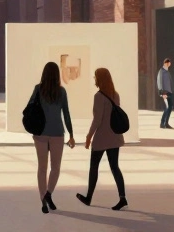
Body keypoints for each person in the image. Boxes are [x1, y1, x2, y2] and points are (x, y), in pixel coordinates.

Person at [77, 67, 127, 211]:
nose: (94, 79)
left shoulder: (99, 96)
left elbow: (97, 120)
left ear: (99, 79)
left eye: (95, 77)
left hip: (102, 138)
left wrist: (88, 136)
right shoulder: (115, 94)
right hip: (115, 136)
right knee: (115, 167)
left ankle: (88, 197)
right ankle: (122, 197)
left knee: (94, 167)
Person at [29, 62, 75, 214]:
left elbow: (30, 107)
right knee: (56, 168)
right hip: (57, 133)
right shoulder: (61, 91)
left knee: (42, 168)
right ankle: (49, 194)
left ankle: (43, 199)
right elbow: (66, 114)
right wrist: (71, 134)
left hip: (40, 133)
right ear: (57, 74)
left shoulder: (38, 89)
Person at [157, 58, 174, 129]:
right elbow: (160, 82)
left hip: (169, 92)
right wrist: (162, 92)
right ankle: (162, 123)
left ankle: (166, 123)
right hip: (165, 93)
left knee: (170, 108)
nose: (169, 65)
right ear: (165, 63)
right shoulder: (161, 72)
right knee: (167, 108)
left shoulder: (167, 71)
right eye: (168, 63)